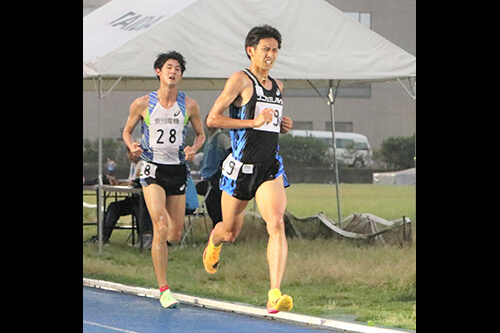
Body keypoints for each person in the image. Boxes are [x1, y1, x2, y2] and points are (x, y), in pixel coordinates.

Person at [202, 25, 294, 314]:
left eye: (275, 50)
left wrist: (281, 125)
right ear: (251, 50)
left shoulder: (278, 86)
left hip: (269, 167)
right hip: (241, 169)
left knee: (276, 223)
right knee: (230, 233)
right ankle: (213, 243)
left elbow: (268, 124)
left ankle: (274, 294)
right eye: (265, 49)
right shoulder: (240, 80)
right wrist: (251, 123)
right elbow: (213, 119)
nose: (271, 55)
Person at [122, 51, 205, 308]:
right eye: (169, 67)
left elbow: (201, 134)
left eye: (178, 69)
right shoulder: (142, 103)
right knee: (159, 225)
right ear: (159, 71)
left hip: (177, 169)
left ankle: (163, 245)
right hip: (151, 167)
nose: (173, 72)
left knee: (175, 233)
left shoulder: (189, 105)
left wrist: (194, 148)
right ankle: (164, 289)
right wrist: (131, 147)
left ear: (181, 75)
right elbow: (127, 130)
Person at [200, 118, 231, 228]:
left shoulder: (221, 137)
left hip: (216, 175)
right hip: (208, 174)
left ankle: (220, 228)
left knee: (216, 205)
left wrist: (222, 167)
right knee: (210, 205)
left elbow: (230, 152)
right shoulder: (209, 139)